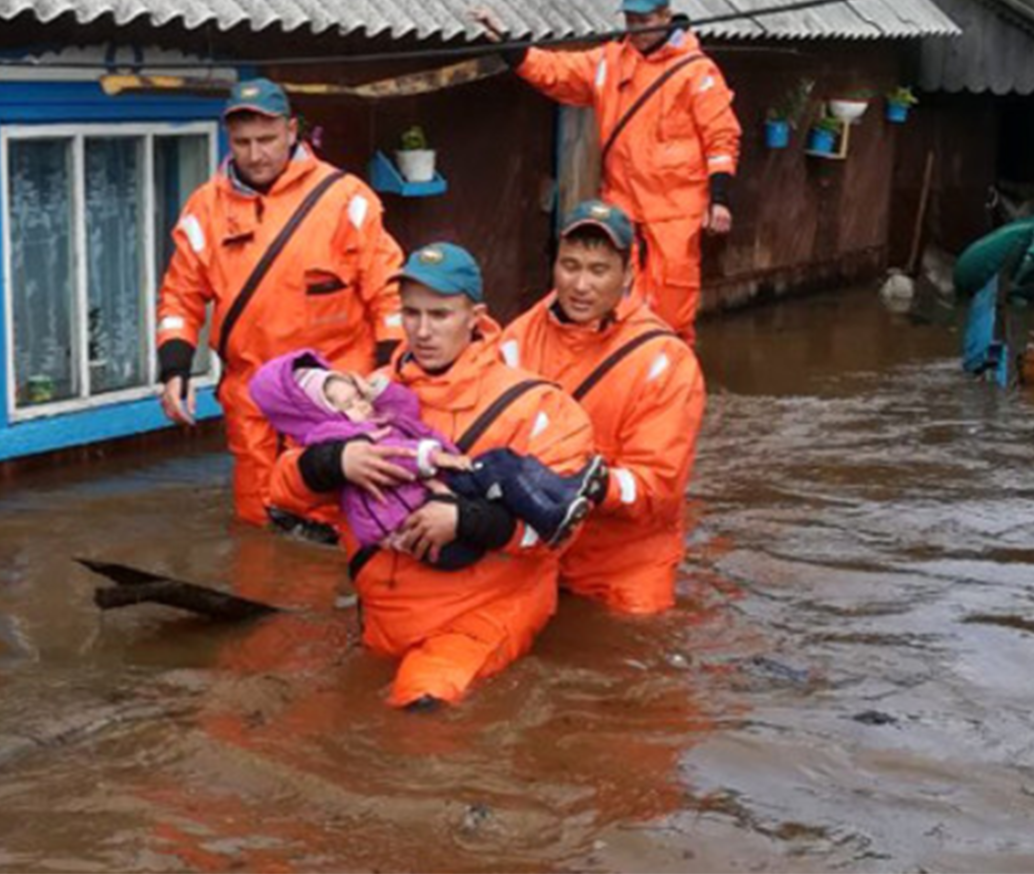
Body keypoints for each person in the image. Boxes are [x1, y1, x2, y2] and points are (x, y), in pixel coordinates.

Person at [267, 242, 596, 708]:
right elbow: (281, 493)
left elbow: (560, 531)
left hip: (482, 612)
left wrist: (465, 520)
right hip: (383, 616)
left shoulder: (537, 406)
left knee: (422, 708)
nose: (422, 331)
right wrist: (335, 463)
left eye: (439, 315)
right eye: (411, 314)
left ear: (476, 318)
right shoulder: (366, 394)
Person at [156, 77, 404, 527]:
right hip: (251, 395)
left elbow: (388, 290)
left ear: (293, 131)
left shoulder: (345, 199)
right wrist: (174, 370)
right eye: (243, 142)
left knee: (340, 518)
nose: (256, 154)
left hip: (334, 392)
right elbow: (179, 295)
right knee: (256, 520)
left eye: (267, 139)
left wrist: (390, 369)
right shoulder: (204, 209)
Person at [474, 0, 741, 345]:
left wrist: (720, 198)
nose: (637, 29)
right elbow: (556, 72)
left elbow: (721, 136)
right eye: (630, 20)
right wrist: (509, 45)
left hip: (675, 213)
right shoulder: (609, 62)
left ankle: (668, 379)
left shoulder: (697, 72)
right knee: (609, 302)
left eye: (645, 21)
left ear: (666, 14)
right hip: (621, 207)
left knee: (671, 312)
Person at [502, 200, 706, 615]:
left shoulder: (664, 362)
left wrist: (594, 486)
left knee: (631, 655)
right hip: (532, 548)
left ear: (628, 276)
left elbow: (658, 487)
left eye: (598, 270)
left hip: (625, 562)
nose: (580, 285)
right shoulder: (517, 338)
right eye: (570, 266)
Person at [250, 348, 609, 566]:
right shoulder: (337, 437)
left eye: (438, 313)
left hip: (436, 524)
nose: (359, 406)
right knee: (499, 466)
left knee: (503, 465)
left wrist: (370, 391)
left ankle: (563, 494)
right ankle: (553, 514)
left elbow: (405, 407)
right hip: (427, 538)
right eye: (347, 404)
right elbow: (396, 457)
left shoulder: (367, 413)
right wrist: (438, 458)